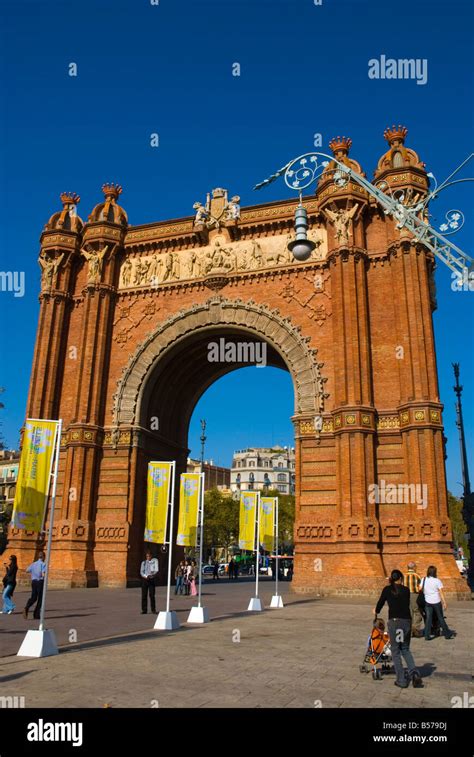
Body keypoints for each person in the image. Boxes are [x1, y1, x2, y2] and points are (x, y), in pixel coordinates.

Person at [374, 569, 424, 688]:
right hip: (406, 621)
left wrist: (376, 611)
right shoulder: (406, 590)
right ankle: (414, 673)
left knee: (396, 651)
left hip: (395, 622)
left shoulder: (387, 589)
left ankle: (401, 680)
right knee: (405, 649)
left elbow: (380, 603)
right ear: (401, 578)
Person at [422, 565, 455, 640]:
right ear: (435, 572)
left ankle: (427, 635)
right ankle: (447, 633)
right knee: (440, 618)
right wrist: (444, 602)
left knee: (428, 618)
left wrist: (426, 592)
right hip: (436, 601)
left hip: (427, 601)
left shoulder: (424, 579)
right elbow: (441, 592)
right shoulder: (437, 581)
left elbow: (420, 588)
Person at [23, 550, 46, 620]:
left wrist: (33, 573)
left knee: (33, 597)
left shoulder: (33, 564)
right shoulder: (43, 564)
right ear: (44, 557)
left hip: (34, 581)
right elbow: (43, 574)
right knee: (40, 599)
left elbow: (27, 570)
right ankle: (36, 614)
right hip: (40, 581)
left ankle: (27, 607)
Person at [404, 561, 424, 637]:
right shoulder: (417, 576)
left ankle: (409, 630)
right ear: (414, 567)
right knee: (417, 611)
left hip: (405, 595)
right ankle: (415, 629)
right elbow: (421, 588)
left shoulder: (404, 576)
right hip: (415, 595)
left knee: (409, 612)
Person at [140, 550, 159, 614]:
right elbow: (141, 571)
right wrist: (145, 576)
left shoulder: (154, 562)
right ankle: (144, 610)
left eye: (149, 556)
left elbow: (156, 570)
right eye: (147, 556)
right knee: (144, 595)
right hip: (145, 579)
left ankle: (153, 609)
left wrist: (152, 574)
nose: (148, 557)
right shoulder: (144, 563)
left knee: (152, 595)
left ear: (151, 556)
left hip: (151, 579)